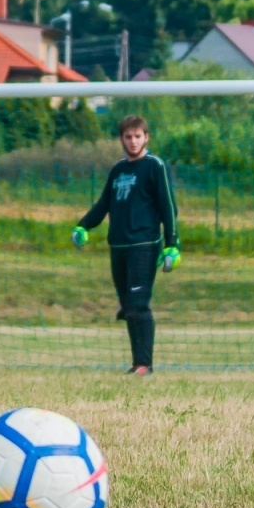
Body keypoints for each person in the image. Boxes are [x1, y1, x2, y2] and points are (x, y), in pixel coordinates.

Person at [72, 115, 180, 375]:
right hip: (118, 247)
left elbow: (168, 207)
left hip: (144, 245)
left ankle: (144, 365)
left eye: (138, 136)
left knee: (138, 303)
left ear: (146, 138)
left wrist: (172, 243)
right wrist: (83, 225)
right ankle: (137, 363)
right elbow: (103, 204)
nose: (133, 141)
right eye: (128, 137)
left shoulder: (155, 166)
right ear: (121, 139)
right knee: (128, 306)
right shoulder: (118, 170)